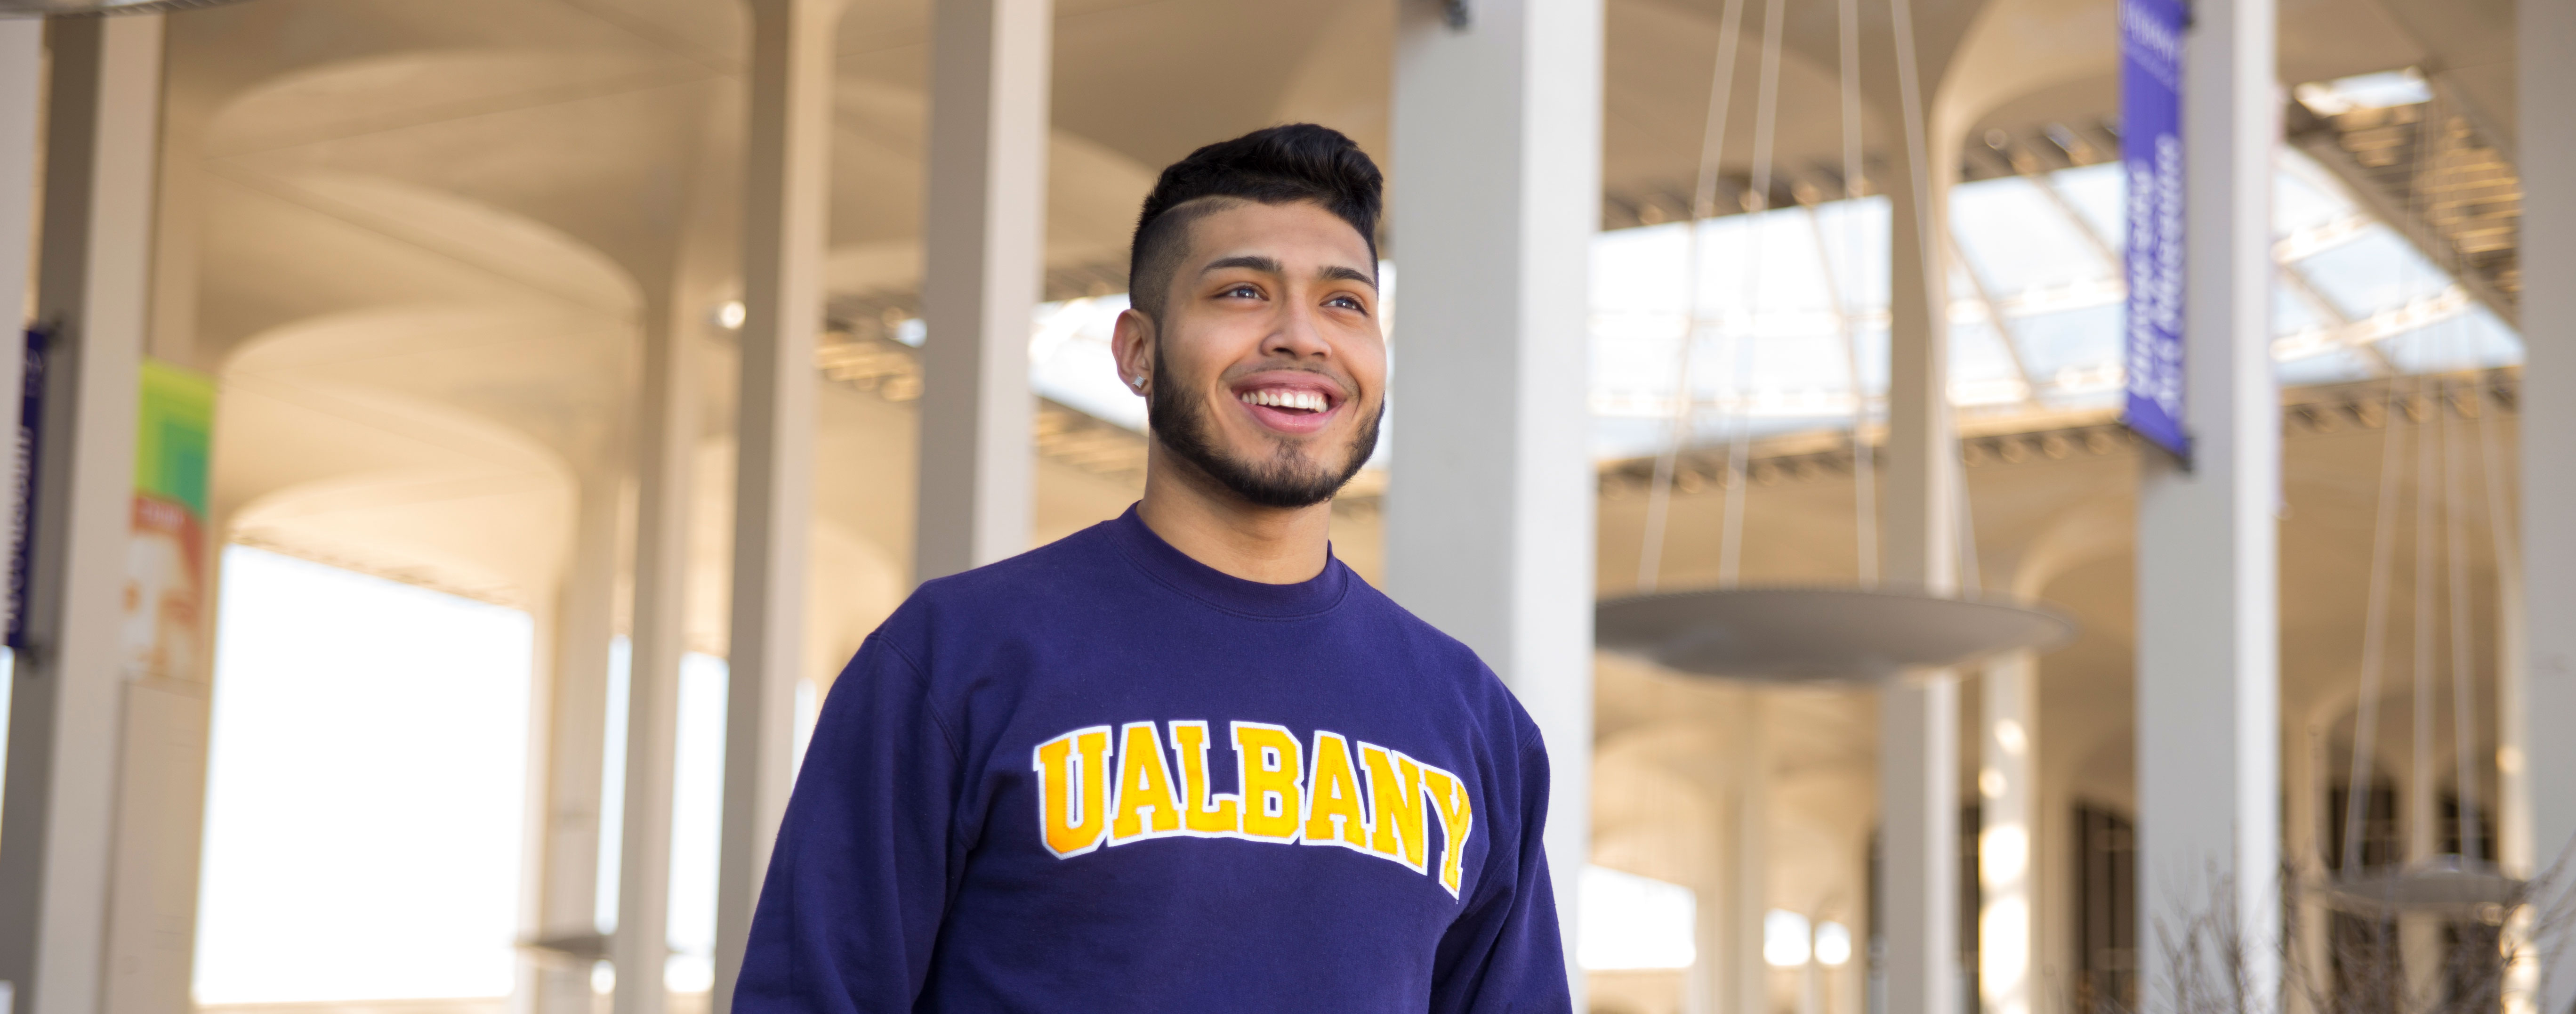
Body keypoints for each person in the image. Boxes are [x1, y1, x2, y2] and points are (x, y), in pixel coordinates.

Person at [735, 123, 1570, 1013]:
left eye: (1345, 302)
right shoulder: (953, 659)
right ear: (1137, 351)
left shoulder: (1473, 724)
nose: (1303, 336)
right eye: (1244, 291)